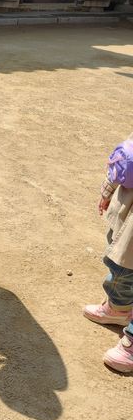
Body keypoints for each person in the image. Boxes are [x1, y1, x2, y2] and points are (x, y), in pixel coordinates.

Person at [83, 135, 133, 373]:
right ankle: (119, 308)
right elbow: (125, 155)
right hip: (127, 209)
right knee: (118, 265)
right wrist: (108, 188)